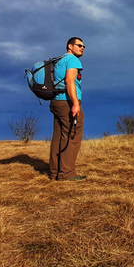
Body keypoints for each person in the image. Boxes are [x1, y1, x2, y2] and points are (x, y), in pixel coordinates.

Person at [49, 37, 86, 181]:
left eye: (83, 46)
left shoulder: (58, 61)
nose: (82, 48)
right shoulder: (72, 60)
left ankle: (54, 173)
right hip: (67, 102)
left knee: (58, 137)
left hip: (56, 102)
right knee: (73, 135)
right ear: (70, 46)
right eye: (79, 45)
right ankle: (67, 173)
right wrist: (75, 103)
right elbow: (69, 81)